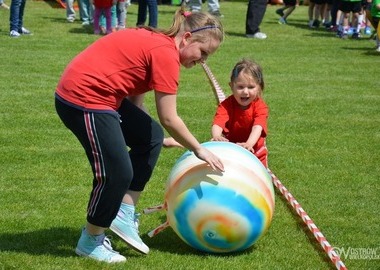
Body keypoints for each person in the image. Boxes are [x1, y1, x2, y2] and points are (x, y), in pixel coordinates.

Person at [55, 7, 224, 263]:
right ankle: (91, 242)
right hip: (83, 97)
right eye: (203, 53)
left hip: (102, 96)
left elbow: (136, 100)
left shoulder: (160, 46)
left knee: (152, 136)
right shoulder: (166, 54)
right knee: (117, 173)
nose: (203, 61)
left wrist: (152, 137)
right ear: (188, 38)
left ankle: (124, 212)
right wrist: (198, 148)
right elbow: (170, 117)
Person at [211, 59, 269, 168]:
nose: (245, 92)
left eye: (251, 87)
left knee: (258, 179)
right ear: (231, 86)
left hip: (256, 151)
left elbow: (258, 127)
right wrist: (216, 136)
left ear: (259, 88)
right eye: (240, 87)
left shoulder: (260, 107)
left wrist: (248, 144)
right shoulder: (226, 105)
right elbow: (218, 123)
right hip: (233, 150)